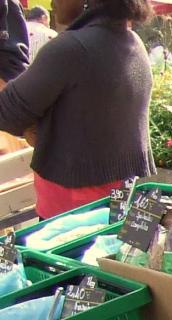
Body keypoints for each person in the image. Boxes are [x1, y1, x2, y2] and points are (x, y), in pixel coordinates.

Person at [0, 0, 153, 218]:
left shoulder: (70, 49)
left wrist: (35, 127)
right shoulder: (133, 42)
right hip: (124, 203)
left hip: (71, 215)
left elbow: (7, 112)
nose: (53, 2)